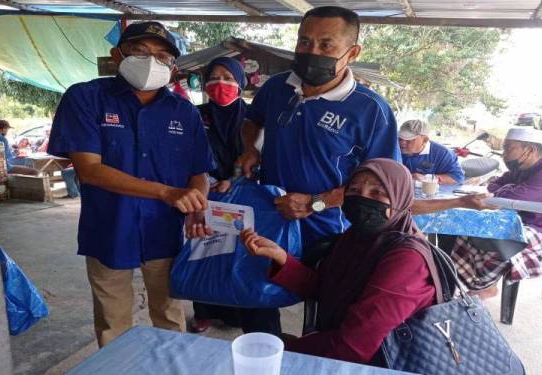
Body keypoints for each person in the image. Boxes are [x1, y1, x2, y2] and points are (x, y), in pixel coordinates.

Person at [47, 21, 215, 347]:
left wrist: (198, 204)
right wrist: (166, 192)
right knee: (113, 325)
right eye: (140, 51)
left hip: (165, 233)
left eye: (163, 55)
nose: (152, 61)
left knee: (169, 314)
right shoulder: (86, 98)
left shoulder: (184, 112)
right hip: (109, 228)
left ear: (173, 66)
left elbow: (199, 171)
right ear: (117, 54)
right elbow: (90, 171)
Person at [240, 158, 437, 365]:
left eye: (377, 193)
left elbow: (355, 346)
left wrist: (288, 349)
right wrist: (281, 257)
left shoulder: (407, 259)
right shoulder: (355, 237)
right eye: (354, 190)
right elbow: (324, 288)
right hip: (344, 350)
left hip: (384, 362)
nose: (362, 199)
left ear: (400, 199)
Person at [237, 6, 401, 250]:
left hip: (329, 233)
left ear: (352, 53)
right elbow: (252, 120)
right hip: (269, 221)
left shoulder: (372, 110)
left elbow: (387, 185)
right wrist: (250, 148)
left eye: (326, 45)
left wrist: (315, 203)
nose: (312, 52)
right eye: (305, 42)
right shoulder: (276, 87)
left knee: (315, 287)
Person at [451, 128, 542, 299]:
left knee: (504, 236)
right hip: (531, 226)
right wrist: (509, 189)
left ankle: (484, 287)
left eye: (508, 149)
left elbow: (510, 196)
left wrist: (509, 190)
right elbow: (493, 186)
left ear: (529, 150)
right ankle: (459, 284)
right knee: (470, 228)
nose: (503, 154)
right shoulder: (521, 170)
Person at [189, 57, 247, 333]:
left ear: (240, 83)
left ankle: (235, 313)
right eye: (214, 76)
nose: (220, 82)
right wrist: (207, 180)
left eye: (228, 77)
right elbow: (185, 153)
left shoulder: (252, 119)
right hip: (204, 195)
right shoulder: (194, 115)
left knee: (238, 255)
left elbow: (262, 156)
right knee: (203, 252)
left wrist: (233, 181)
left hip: (243, 195)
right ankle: (203, 312)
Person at [399, 119, 464, 185]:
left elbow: (457, 178)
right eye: (400, 138)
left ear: (425, 140)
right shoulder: (393, 147)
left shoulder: (443, 153)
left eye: (409, 140)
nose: (402, 143)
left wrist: (426, 178)